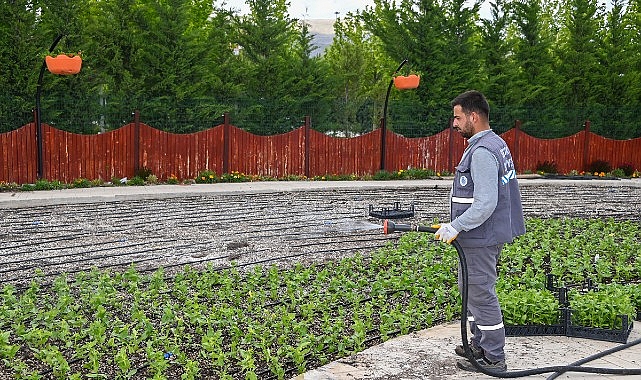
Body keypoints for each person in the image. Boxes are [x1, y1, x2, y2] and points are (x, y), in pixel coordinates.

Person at [433, 90, 526, 373]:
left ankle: (494, 356)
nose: (454, 123)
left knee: (480, 292)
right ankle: (480, 344)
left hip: (480, 236)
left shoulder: (483, 151)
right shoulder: (493, 143)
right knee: (471, 289)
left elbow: (486, 202)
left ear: (474, 116)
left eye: (458, 117)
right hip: (480, 235)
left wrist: (456, 225)